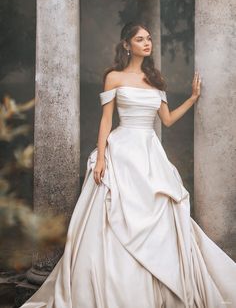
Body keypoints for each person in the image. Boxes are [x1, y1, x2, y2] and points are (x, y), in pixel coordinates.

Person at [20, 22, 236, 308]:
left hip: (149, 154)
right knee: (115, 214)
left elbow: (167, 120)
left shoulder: (156, 80)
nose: (147, 43)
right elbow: (106, 120)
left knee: (159, 210)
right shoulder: (114, 77)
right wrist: (100, 157)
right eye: (140, 39)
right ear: (127, 44)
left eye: (149, 39)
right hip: (122, 151)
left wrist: (194, 98)